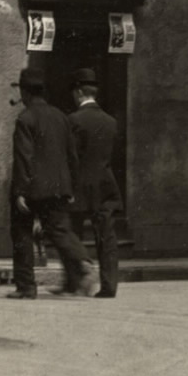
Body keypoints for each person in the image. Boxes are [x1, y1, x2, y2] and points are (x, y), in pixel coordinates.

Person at [7, 66, 94, 300]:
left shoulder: (25, 118)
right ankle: (82, 264)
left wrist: (20, 191)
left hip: (34, 187)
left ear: (25, 92)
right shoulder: (60, 116)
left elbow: (23, 158)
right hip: (59, 186)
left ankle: (26, 287)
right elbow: (72, 155)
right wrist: (72, 187)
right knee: (59, 230)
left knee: (22, 233)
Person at [67, 68, 123, 299]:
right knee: (106, 238)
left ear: (79, 92)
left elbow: (71, 157)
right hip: (105, 186)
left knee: (73, 235)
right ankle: (109, 286)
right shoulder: (111, 122)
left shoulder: (73, 121)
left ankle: (78, 282)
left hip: (79, 186)